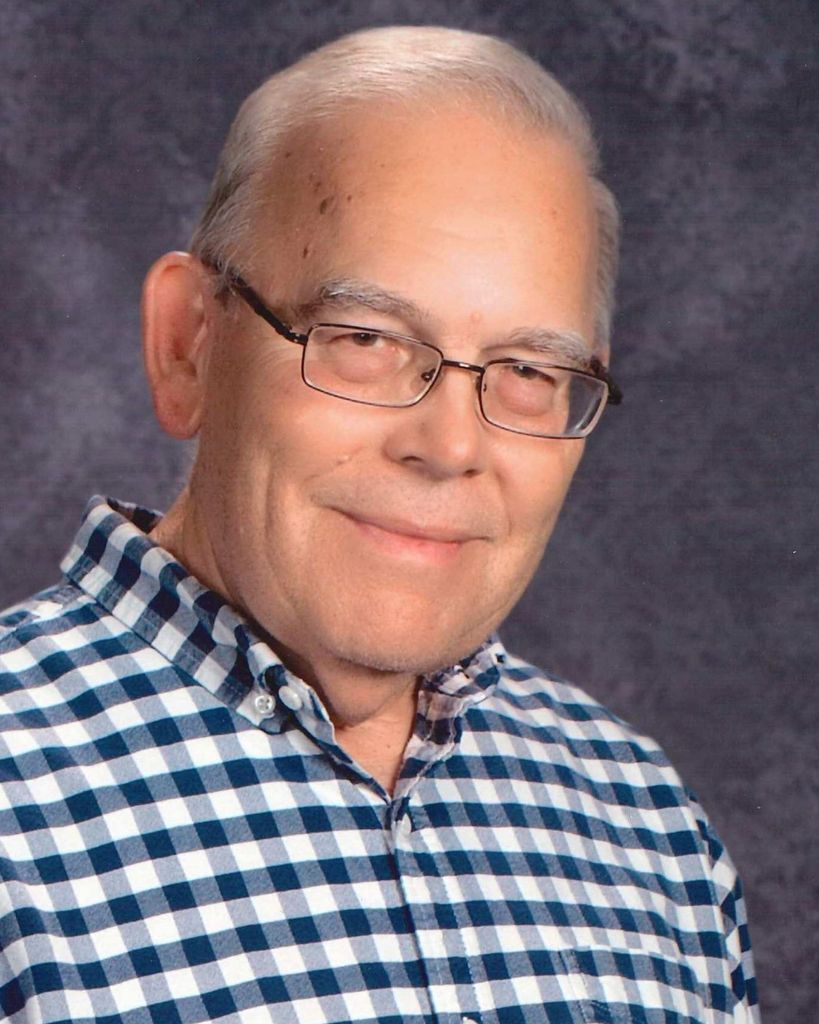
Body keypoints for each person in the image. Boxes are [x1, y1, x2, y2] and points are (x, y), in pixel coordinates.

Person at [0, 25, 758, 1024]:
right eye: (364, 338)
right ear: (187, 344)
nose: (449, 446)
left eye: (528, 370)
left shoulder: (649, 832)